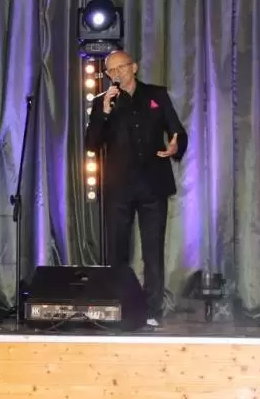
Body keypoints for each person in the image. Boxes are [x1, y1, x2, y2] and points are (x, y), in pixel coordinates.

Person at [84, 50, 188, 327]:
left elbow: (177, 131)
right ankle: (119, 306)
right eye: (111, 70)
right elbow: (91, 144)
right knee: (117, 251)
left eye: (121, 67)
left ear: (134, 67)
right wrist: (104, 113)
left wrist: (176, 146)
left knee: (153, 251)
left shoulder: (156, 95)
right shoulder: (102, 102)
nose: (116, 73)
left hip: (153, 185)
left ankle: (152, 309)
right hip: (118, 187)